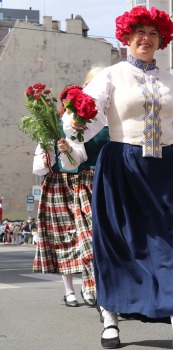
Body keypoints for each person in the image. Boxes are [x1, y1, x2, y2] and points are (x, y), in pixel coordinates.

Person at [61, 6, 173, 350]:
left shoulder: (170, 79)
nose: (146, 38)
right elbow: (89, 118)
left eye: (153, 33)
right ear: (127, 37)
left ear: (161, 40)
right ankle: (111, 318)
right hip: (123, 166)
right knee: (119, 243)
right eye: (139, 32)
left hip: (167, 168)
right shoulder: (112, 75)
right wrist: (72, 128)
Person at [32, 66, 109, 308]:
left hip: (92, 180)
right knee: (64, 236)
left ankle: (91, 285)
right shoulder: (68, 118)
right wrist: (54, 150)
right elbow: (47, 150)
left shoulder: (108, 115)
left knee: (89, 236)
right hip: (62, 179)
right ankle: (69, 290)